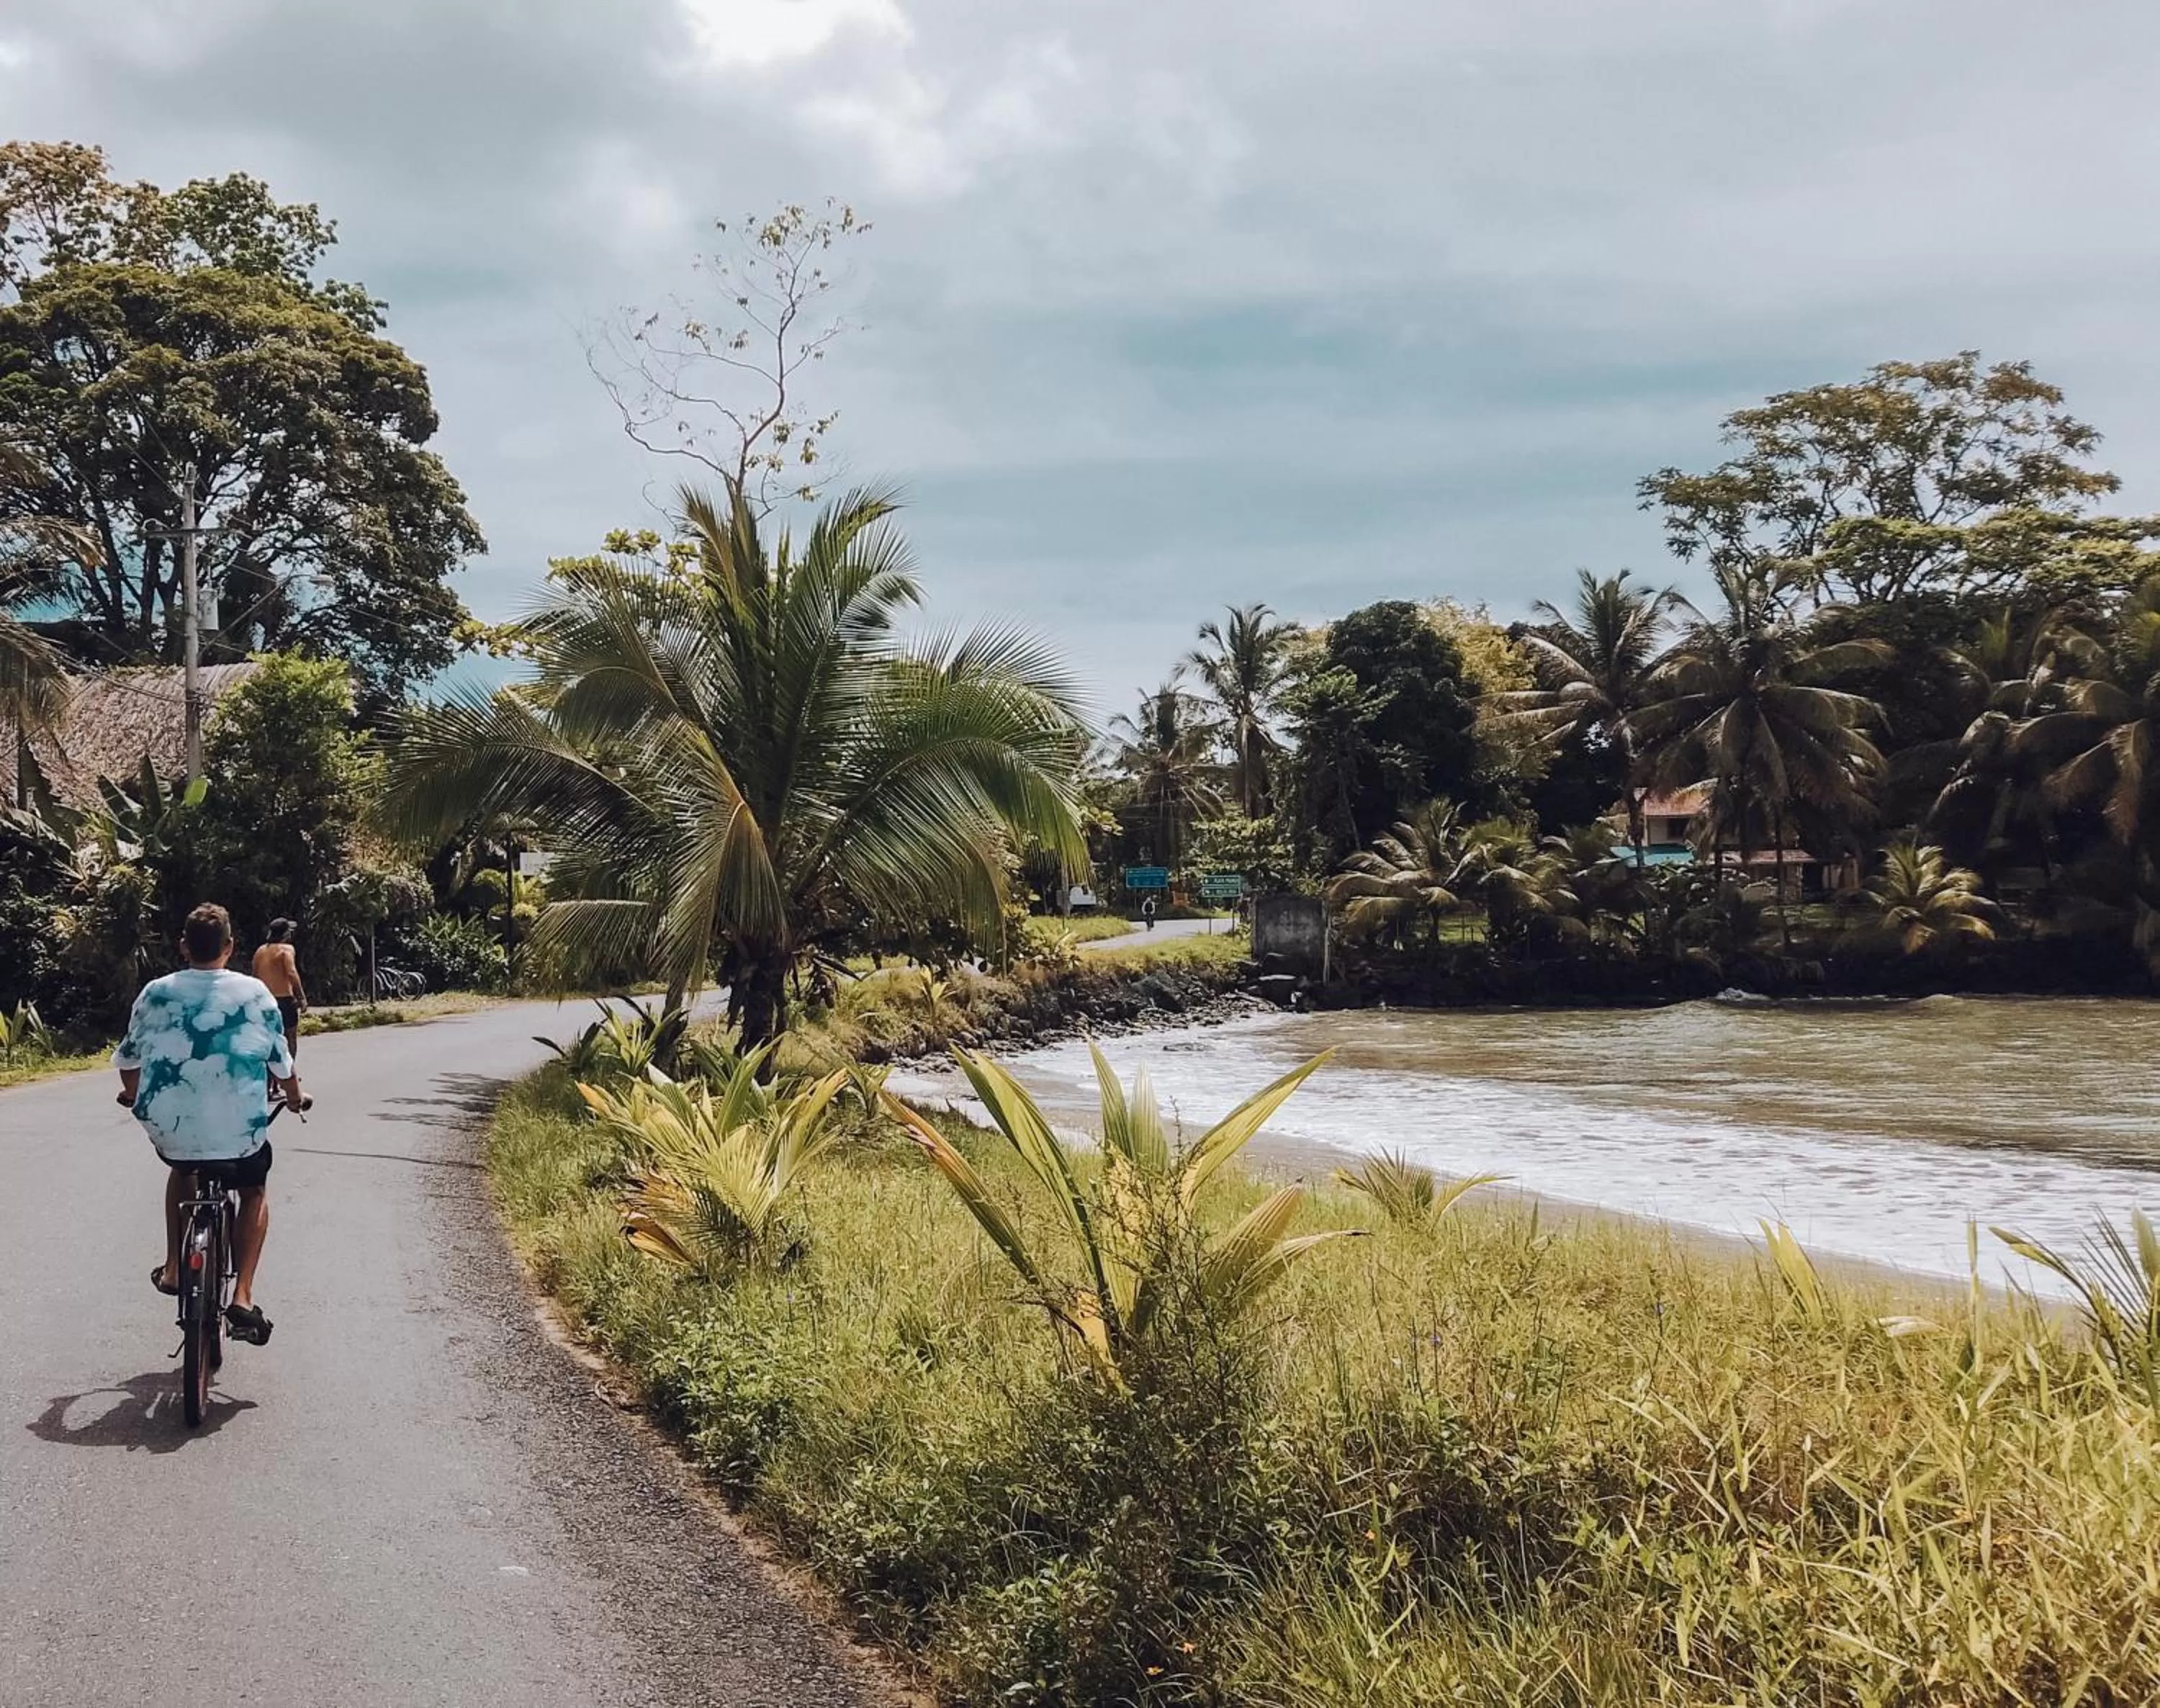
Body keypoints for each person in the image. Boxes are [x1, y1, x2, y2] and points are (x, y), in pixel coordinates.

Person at [117, 903, 300, 1346]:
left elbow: (128, 1061)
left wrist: (135, 1094)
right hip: (240, 1135)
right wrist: (294, 1098)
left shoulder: (156, 992)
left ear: (183, 946)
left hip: (173, 1129)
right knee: (253, 1188)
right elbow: (281, 1066)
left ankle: (176, 1269)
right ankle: (242, 1296)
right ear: (231, 947)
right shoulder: (256, 995)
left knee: (182, 1168)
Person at [251, 916, 307, 1058]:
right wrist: (301, 997)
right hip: (284, 1000)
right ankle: (288, 1074)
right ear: (286, 933)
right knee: (290, 1038)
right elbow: (292, 973)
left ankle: (270, 1075)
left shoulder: (260, 951)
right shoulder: (287, 949)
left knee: (266, 1038)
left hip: (264, 1000)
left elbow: (255, 976)